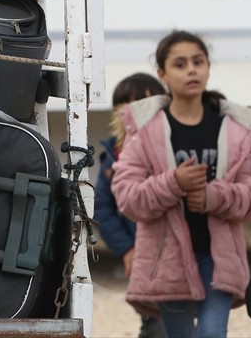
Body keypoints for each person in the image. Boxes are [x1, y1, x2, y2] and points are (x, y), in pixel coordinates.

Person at [112, 30, 251, 338]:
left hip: (219, 257)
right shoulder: (145, 133)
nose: (191, 70)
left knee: (212, 333)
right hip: (168, 258)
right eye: (180, 64)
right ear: (163, 74)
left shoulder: (235, 132)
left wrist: (214, 197)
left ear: (209, 67)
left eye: (198, 62)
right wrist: (173, 182)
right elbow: (128, 198)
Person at [95, 72, 168, 338]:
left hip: (179, 252)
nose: (140, 113)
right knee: (156, 323)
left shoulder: (173, 145)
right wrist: (127, 248)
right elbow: (102, 207)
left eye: (148, 104)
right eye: (130, 106)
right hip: (142, 255)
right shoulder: (115, 156)